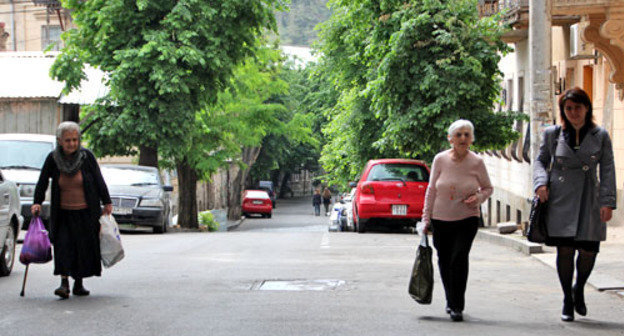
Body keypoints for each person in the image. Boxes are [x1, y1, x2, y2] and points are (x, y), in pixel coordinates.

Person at [534, 87, 616, 322]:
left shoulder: (600, 135)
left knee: (589, 250)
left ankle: (578, 288)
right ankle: (567, 300)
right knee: (566, 250)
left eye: (577, 108)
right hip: (560, 198)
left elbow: (608, 169)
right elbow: (540, 161)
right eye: (568, 109)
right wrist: (540, 184)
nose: (573, 113)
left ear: (587, 108)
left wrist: (607, 201)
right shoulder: (553, 134)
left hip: (591, 197)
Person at [31, 121, 113, 299]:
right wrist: (37, 201)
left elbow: (99, 179)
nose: (72, 144)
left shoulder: (87, 157)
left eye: (75, 140)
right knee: (63, 246)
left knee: (83, 247)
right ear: (60, 141)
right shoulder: (53, 159)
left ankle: (79, 283)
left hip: (85, 212)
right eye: (68, 140)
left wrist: (107, 201)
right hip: (62, 213)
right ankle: (64, 283)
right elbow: (43, 180)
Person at [422, 119, 493, 322]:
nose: (463, 138)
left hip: (467, 218)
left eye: (467, 134)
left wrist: (478, 198)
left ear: (471, 139)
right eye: (459, 134)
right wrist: (425, 218)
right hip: (441, 218)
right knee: (444, 260)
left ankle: (457, 306)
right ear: (450, 138)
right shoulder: (440, 160)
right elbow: (432, 189)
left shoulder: (477, 162)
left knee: (459, 258)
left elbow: (488, 188)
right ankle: (450, 299)